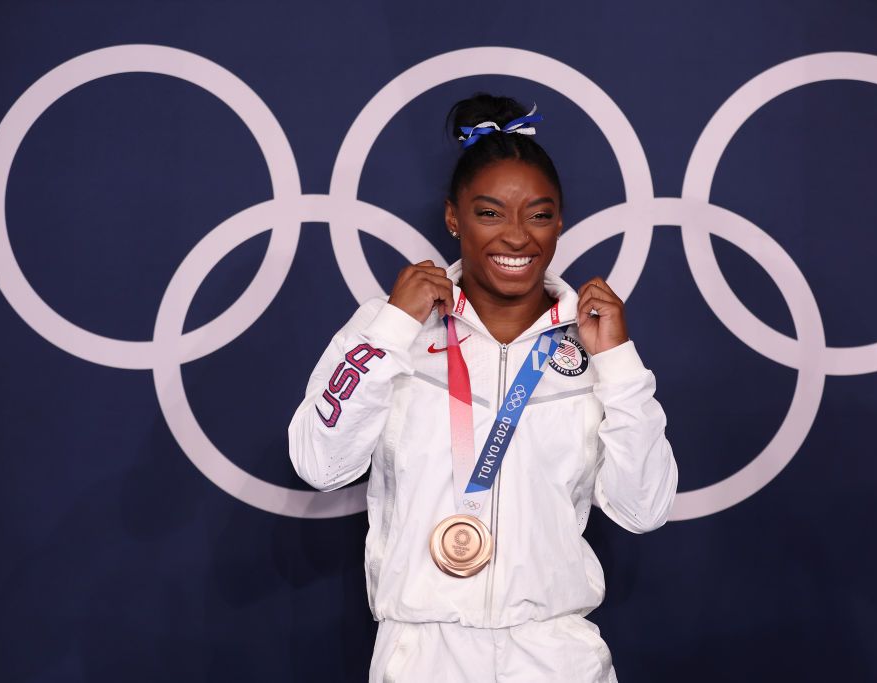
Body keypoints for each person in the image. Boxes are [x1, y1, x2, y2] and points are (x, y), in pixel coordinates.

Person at [288, 94, 678, 682]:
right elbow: (319, 463)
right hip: (422, 657)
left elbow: (643, 509)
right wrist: (393, 326)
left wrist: (620, 364)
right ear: (453, 218)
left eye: (539, 215)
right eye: (490, 213)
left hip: (556, 658)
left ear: (560, 221)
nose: (517, 237)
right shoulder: (391, 327)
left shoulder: (596, 343)